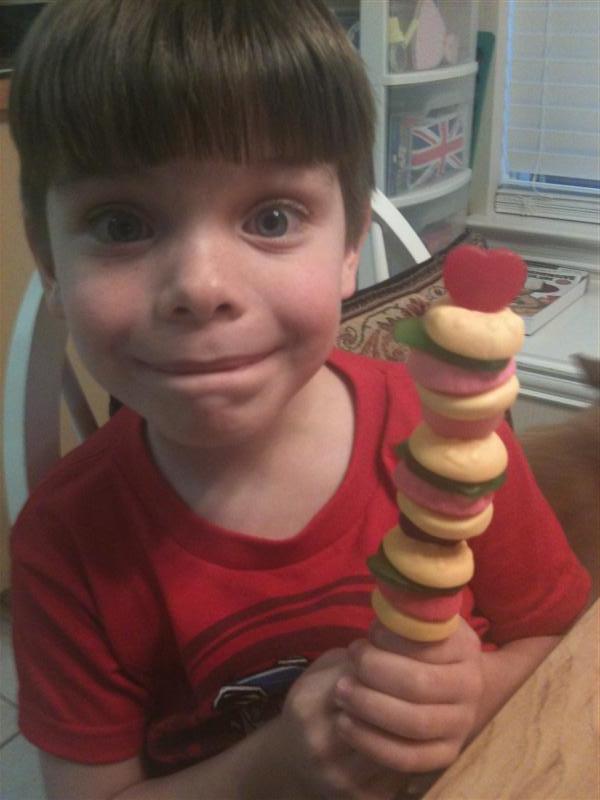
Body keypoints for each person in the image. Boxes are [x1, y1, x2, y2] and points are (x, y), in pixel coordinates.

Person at [8, 1, 590, 798]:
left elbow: (562, 643)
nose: (201, 287)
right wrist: (274, 764)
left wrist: (481, 693)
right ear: (50, 263)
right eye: (120, 225)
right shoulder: (67, 541)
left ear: (350, 247)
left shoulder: (451, 438)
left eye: (272, 217)